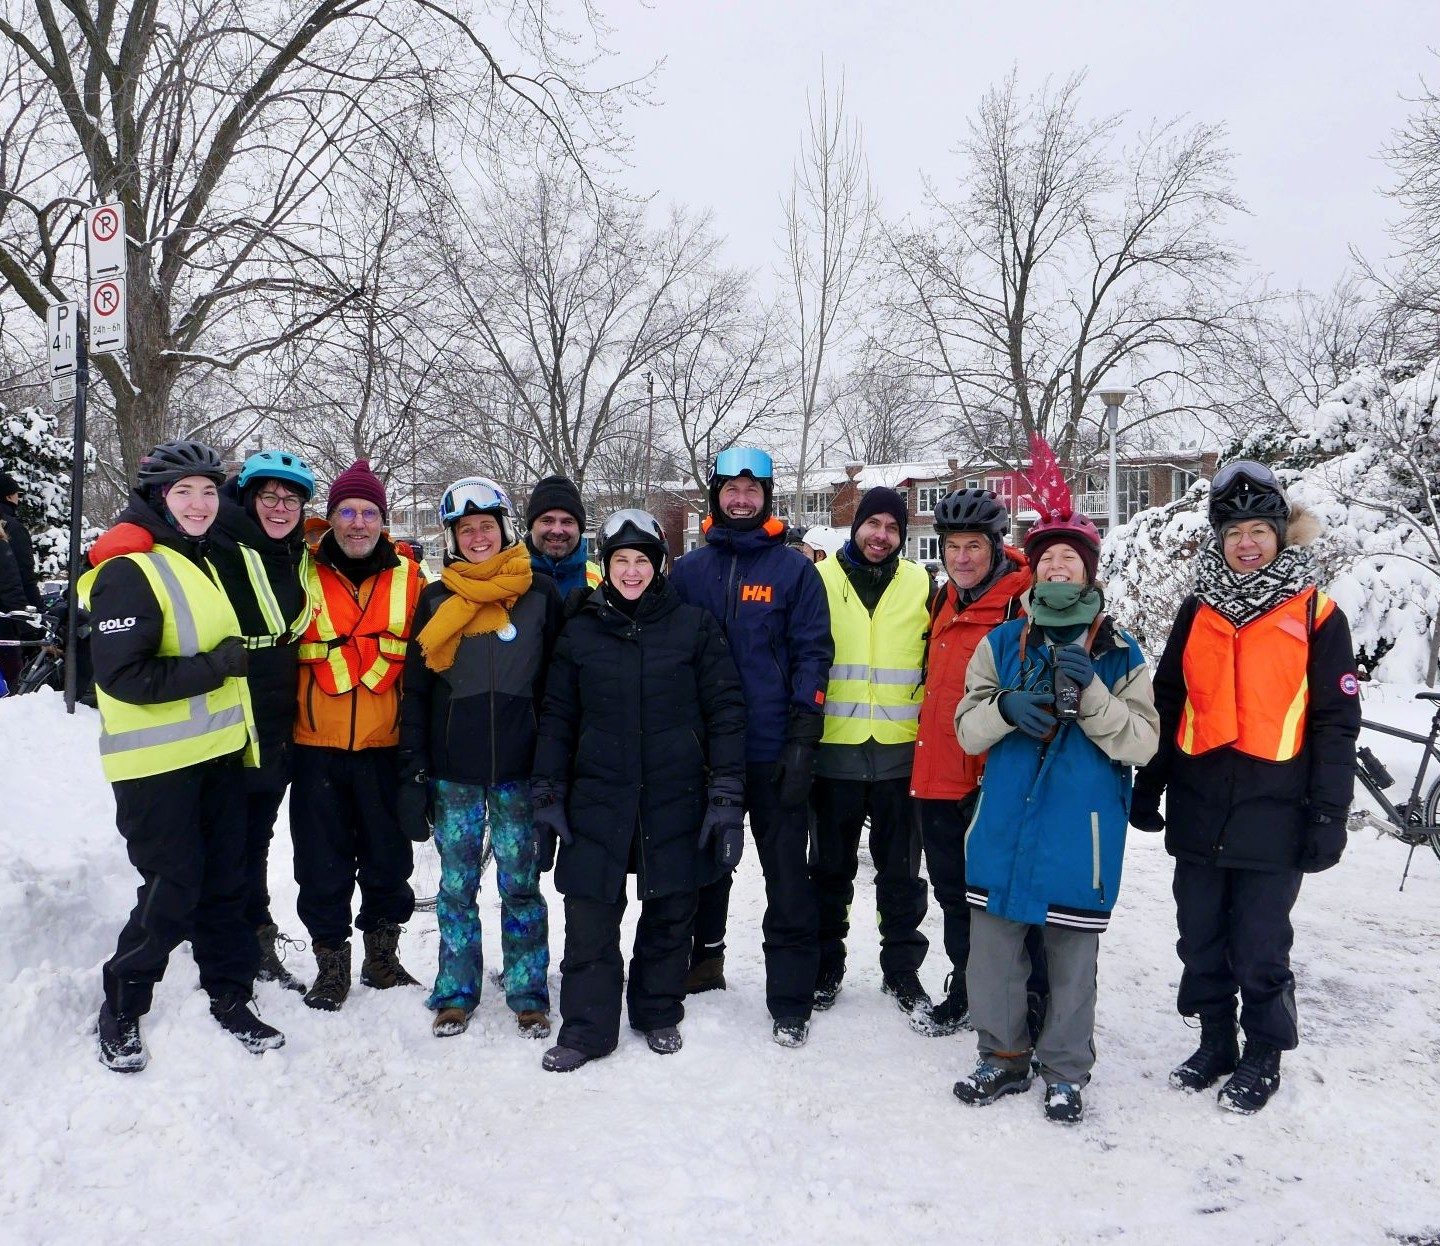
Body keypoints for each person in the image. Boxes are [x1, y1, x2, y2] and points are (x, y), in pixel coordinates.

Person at [1131, 461, 1360, 1114]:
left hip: (1276, 810)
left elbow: (1336, 722)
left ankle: (1263, 1051)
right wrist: (1150, 785)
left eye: (1260, 529)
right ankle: (1215, 1042)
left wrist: (1328, 814)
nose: (1247, 542)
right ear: (1219, 538)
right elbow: (1169, 701)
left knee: (1259, 944)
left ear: (1281, 536)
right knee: (1199, 935)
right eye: (1235, 530)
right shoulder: (1197, 611)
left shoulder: (1317, 615)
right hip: (1201, 806)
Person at [952, 498, 1158, 1124]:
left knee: (1072, 961)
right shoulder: (1001, 642)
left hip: (1081, 831)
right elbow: (966, 729)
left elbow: (1143, 741)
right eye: (1048, 560)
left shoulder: (1120, 651)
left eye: (1071, 558)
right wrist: (1006, 708)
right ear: (1034, 571)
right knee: (993, 952)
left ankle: (1066, 1071)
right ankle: (1003, 1055)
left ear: (1090, 571)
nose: (1059, 568)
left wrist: (1092, 693)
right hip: (1005, 824)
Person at [79, 440, 278, 1071]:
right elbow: (122, 677)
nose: (200, 503)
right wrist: (214, 669)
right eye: (184, 492)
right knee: (173, 886)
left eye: (209, 491)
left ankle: (230, 993)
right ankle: (123, 1004)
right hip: (154, 767)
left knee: (225, 880)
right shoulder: (129, 569)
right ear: (157, 498)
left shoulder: (193, 558)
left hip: (214, 756)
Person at [533, 509, 746, 1071]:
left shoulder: (694, 627)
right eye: (621, 560)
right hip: (596, 797)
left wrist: (725, 795)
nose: (631, 571)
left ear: (660, 566)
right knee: (589, 915)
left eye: (642, 560)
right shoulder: (580, 631)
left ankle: (656, 1011)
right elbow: (557, 715)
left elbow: (726, 712)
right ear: (605, 567)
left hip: (674, 795)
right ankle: (586, 1027)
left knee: (671, 911)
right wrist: (548, 792)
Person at [668, 448, 833, 1046]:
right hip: (704, 750)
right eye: (731, 489)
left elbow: (814, 654)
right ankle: (703, 961)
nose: (741, 499)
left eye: (752, 489)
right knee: (703, 862)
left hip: (771, 751)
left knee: (787, 875)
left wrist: (803, 739)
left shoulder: (793, 571)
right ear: (715, 496)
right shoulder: (687, 573)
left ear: (768, 496)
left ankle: (790, 996)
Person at [400, 477, 562, 1039]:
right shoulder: (435, 599)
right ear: (452, 536)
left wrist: (552, 765)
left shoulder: (539, 595)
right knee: (456, 888)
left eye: (486, 526)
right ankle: (456, 992)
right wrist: (416, 764)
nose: (476, 537)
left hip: (520, 771)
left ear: (504, 530)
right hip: (456, 774)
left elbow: (557, 688)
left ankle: (527, 992)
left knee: (520, 887)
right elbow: (416, 689)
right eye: (465, 529)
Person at [910, 487, 1044, 1037]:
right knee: (952, 895)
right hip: (938, 773)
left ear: (995, 546)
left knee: (1009, 899)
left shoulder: (1025, 601)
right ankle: (966, 989)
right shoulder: (941, 599)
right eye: (951, 546)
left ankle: (1028, 1003)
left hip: (995, 780)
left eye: (973, 546)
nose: (961, 558)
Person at [291, 458, 424, 1010]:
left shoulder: (410, 577)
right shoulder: (299, 569)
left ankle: (383, 956)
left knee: (389, 858)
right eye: (346, 511)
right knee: (320, 861)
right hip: (314, 745)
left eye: (369, 512)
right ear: (331, 516)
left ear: (383, 520)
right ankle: (330, 962)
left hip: (384, 746)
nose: (357, 523)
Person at [809, 487, 935, 1028]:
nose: (881, 535)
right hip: (833, 749)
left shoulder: (922, 584)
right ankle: (825, 966)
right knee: (830, 870)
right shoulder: (820, 581)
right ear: (855, 526)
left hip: (900, 753)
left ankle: (901, 967)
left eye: (891, 527)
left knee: (901, 873)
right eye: (873, 524)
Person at [207, 450, 317, 993]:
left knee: (257, 836)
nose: (279, 507)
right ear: (248, 497)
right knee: (228, 836)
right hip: (225, 712)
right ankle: (230, 942)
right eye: (270, 496)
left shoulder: (294, 553)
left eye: (290, 499)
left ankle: (254, 935)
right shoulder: (217, 542)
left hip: (276, 717)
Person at [524, 474, 601, 596]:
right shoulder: (505, 578)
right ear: (531, 526)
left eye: (567, 522)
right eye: (547, 521)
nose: (557, 530)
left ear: (579, 529)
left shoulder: (601, 580)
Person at [0, 470, 41, 688]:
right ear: (8, 496)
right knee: (12, 682)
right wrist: (33, 621)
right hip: (6, 620)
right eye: (17, 494)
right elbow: (20, 580)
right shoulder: (11, 529)